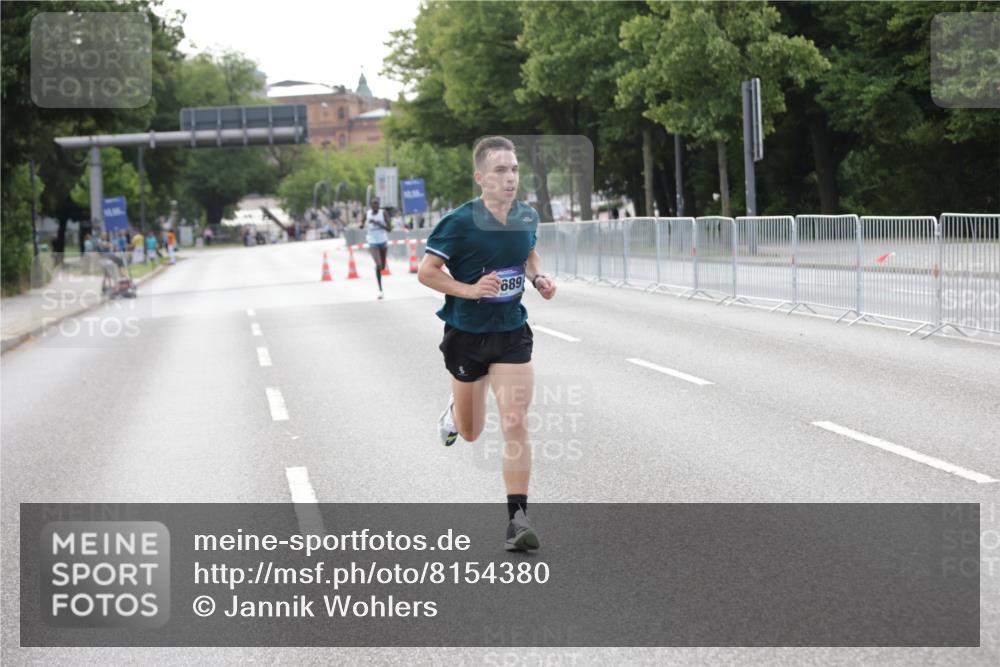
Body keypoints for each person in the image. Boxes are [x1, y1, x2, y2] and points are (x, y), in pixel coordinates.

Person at [417, 136, 557, 551]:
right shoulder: (458, 222)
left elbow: (528, 252)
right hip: (466, 334)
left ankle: (518, 519)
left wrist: (538, 278)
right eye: (500, 170)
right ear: (480, 177)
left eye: (514, 169)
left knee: (514, 420)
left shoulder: (527, 216)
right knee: (472, 430)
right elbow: (427, 272)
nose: (510, 177)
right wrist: (470, 289)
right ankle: (455, 411)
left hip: (512, 331)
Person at [360, 197, 392, 300]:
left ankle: (380, 274)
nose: (375, 206)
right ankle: (380, 289)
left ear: (379, 205)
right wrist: (361, 225)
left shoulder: (383, 213)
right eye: (373, 204)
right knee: (378, 265)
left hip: (383, 241)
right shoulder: (367, 214)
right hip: (372, 242)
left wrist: (377, 223)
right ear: (370, 205)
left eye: (377, 204)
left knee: (382, 266)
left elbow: (389, 229)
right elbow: (361, 224)